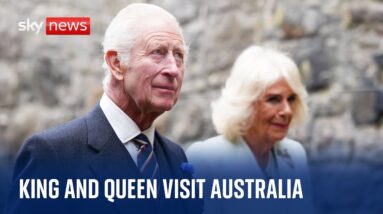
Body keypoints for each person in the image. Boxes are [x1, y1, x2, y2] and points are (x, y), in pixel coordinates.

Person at [5, 3, 201, 214]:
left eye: (179, 55)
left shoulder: (175, 157)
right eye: (158, 52)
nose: (173, 69)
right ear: (116, 64)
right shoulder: (52, 155)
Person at [187, 45, 312, 214]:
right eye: (274, 99)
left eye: (291, 99)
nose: (287, 110)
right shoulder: (206, 159)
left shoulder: (295, 155)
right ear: (246, 104)